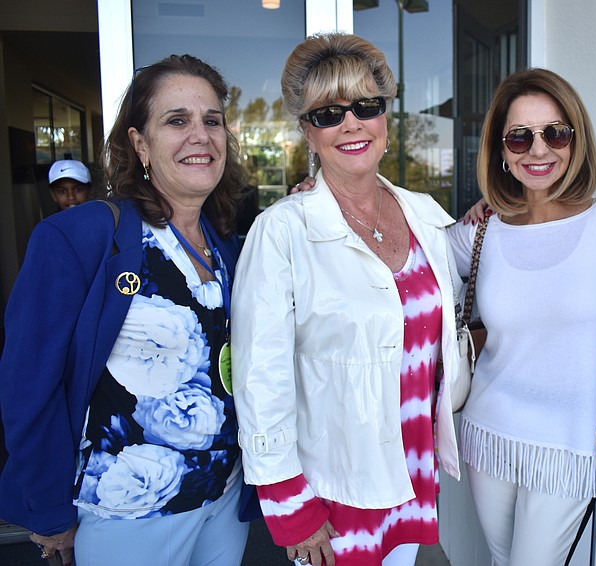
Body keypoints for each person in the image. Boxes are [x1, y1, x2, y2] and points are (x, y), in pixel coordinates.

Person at [0, 54, 258, 565]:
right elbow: (29, 383)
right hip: (129, 510)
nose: (200, 135)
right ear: (139, 143)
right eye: (177, 121)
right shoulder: (79, 237)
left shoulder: (227, 242)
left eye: (212, 121)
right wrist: (49, 508)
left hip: (222, 497)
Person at [230, 33, 464, 566]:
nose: (352, 123)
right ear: (307, 133)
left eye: (366, 106)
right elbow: (260, 378)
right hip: (333, 488)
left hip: (411, 471)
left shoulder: (423, 212)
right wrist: (289, 504)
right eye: (329, 113)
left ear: (386, 119)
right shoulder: (282, 231)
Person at [444, 68, 596, 565]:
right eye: (519, 137)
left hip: (570, 445)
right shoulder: (482, 232)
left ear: (576, 139)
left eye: (555, 133)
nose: (538, 149)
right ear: (501, 150)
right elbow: (402, 257)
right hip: (489, 435)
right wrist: (331, 194)